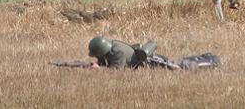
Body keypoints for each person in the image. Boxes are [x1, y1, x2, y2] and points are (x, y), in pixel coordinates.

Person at [86, 36, 220, 70]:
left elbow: (116, 71)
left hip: (151, 63)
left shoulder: (117, 52)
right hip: (147, 62)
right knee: (178, 63)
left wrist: (99, 69)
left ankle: (210, 62)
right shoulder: (112, 48)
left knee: (180, 67)